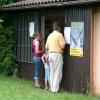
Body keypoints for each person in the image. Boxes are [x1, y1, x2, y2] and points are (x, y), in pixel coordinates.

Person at [45, 22, 65, 93]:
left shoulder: (50, 35)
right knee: (58, 73)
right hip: (57, 55)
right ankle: (55, 90)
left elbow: (46, 47)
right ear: (58, 28)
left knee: (52, 72)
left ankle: (51, 88)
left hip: (50, 55)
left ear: (53, 28)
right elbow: (62, 46)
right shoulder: (59, 35)